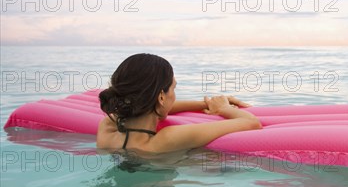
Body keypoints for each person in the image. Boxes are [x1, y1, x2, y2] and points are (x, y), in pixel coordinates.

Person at [96, 53, 262, 152]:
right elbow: (252, 123)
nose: (174, 95)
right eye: (173, 88)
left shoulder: (106, 130)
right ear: (161, 97)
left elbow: (146, 105)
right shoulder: (168, 138)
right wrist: (223, 108)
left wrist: (205, 104)